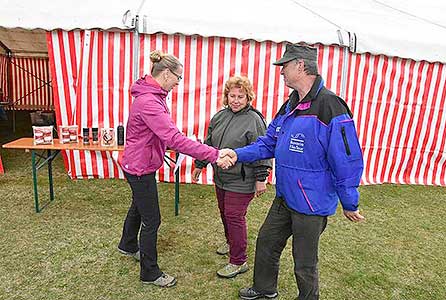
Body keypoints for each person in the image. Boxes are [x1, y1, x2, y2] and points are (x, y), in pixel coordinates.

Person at [221, 43, 365, 300]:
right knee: (266, 242)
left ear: (301, 65)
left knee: (304, 261)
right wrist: (237, 153)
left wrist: (349, 201)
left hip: (311, 202)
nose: (280, 71)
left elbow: (346, 158)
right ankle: (265, 289)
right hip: (286, 196)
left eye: (284, 66)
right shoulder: (291, 104)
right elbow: (269, 142)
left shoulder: (331, 106)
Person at [118, 50, 231, 288]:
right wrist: (213, 155)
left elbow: (165, 135)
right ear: (167, 74)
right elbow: (173, 139)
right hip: (139, 166)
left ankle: (127, 244)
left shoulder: (151, 95)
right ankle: (149, 272)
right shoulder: (150, 101)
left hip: (136, 162)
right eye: (178, 77)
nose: (179, 83)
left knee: (138, 205)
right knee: (152, 219)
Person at [192, 76, 272, 279]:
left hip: (242, 180)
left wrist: (261, 178)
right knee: (224, 212)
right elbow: (209, 143)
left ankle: (239, 260)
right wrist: (200, 164)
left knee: (235, 216)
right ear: (226, 97)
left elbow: (262, 149)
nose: (236, 100)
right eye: (232, 96)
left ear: (248, 98)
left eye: (241, 96)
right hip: (221, 177)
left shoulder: (254, 119)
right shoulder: (219, 116)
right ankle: (231, 242)